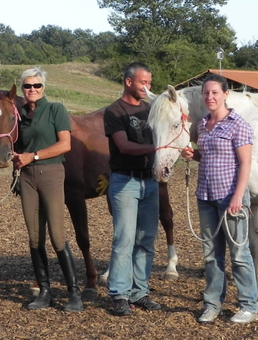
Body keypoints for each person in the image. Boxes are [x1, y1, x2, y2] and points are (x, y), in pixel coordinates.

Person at [181, 74, 258, 324]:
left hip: (231, 197)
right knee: (211, 255)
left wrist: (238, 195)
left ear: (226, 94)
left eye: (215, 92)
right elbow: (208, 158)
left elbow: (245, 163)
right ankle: (212, 303)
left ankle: (248, 305)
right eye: (206, 93)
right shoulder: (203, 124)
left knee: (239, 253)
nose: (210, 97)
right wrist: (192, 155)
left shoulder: (238, 124)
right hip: (206, 196)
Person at [11, 67, 82, 312]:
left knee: (57, 236)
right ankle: (44, 291)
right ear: (22, 89)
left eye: (36, 86)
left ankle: (74, 293)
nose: (32, 90)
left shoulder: (56, 109)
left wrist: (34, 155)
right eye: (27, 86)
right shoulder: (19, 114)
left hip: (51, 173)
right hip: (28, 177)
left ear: (44, 88)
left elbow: (65, 144)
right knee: (34, 237)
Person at [104, 62, 161, 316]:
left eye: (149, 83)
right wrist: (159, 148)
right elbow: (124, 146)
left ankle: (140, 292)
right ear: (129, 82)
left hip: (150, 181)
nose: (147, 88)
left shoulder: (152, 109)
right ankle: (119, 294)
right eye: (143, 83)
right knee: (124, 240)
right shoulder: (115, 112)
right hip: (124, 182)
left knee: (146, 240)